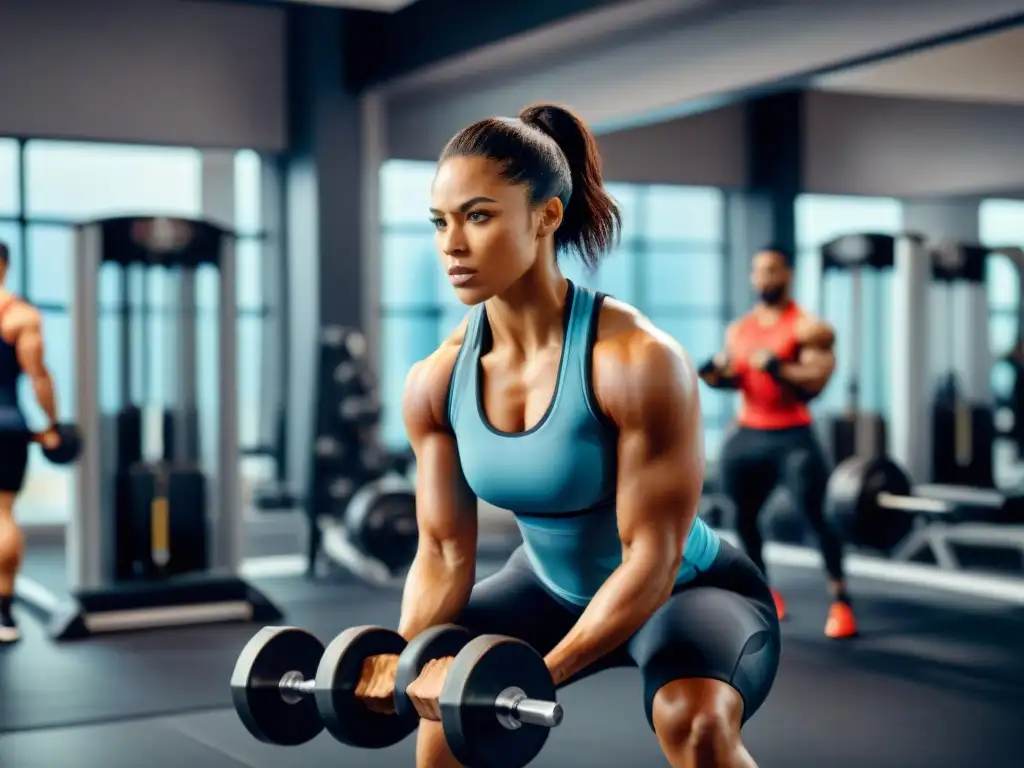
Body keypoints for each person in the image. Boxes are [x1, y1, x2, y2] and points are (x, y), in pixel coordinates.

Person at [355, 105, 781, 768]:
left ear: (546, 216)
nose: (452, 245)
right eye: (440, 222)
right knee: (441, 727)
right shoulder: (435, 381)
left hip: (685, 591)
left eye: (478, 215)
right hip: (545, 585)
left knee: (694, 726)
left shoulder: (638, 362)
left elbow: (649, 559)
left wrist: (531, 676)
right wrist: (399, 659)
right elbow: (441, 552)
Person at [698, 247, 856, 639]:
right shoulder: (739, 329)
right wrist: (713, 375)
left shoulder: (808, 328)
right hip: (749, 431)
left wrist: (779, 367)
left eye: (772, 270)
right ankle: (765, 592)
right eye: (759, 271)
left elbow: (815, 384)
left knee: (818, 516)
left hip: (793, 434)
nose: (765, 278)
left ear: (787, 274)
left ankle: (840, 601)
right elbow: (734, 378)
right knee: (742, 516)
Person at [0, 241, 62, 644]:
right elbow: (39, 377)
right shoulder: (20, 316)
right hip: (7, 423)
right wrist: (52, 425)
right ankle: (3, 614)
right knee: (2, 513)